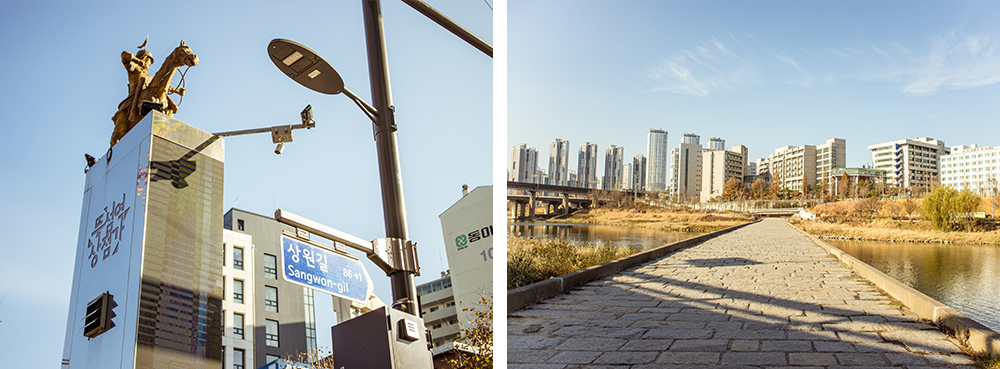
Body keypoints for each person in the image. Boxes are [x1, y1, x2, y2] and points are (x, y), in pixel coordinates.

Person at [110, 49, 154, 145]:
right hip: (133, 98)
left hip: (146, 99)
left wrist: (178, 91)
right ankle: (116, 137)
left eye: (149, 62)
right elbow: (124, 56)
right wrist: (138, 62)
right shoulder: (135, 68)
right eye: (147, 60)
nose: (148, 64)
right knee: (123, 114)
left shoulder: (151, 77)